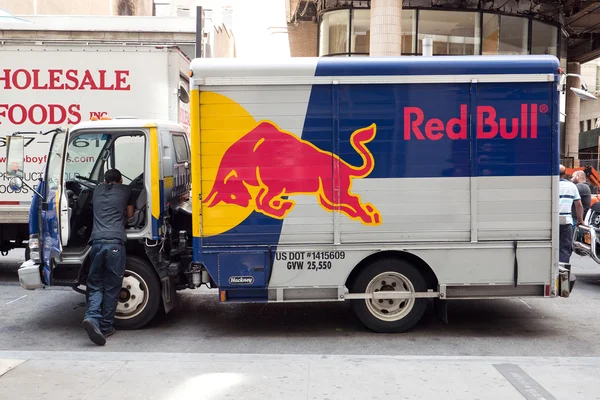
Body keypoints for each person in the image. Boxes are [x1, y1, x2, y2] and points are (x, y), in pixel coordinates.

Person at [82, 168, 135, 346]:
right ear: (120, 180)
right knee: (112, 286)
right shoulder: (126, 190)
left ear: (105, 182)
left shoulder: (97, 190)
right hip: (115, 243)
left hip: (96, 243)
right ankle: (105, 326)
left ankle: (91, 318)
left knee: (95, 283)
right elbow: (130, 214)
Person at [559, 165, 584, 264]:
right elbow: (579, 205)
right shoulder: (571, 186)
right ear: (565, 174)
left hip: (551, 220)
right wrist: (580, 221)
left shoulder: (549, 184)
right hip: (566, 220)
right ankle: (563, 273)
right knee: (565, 247)